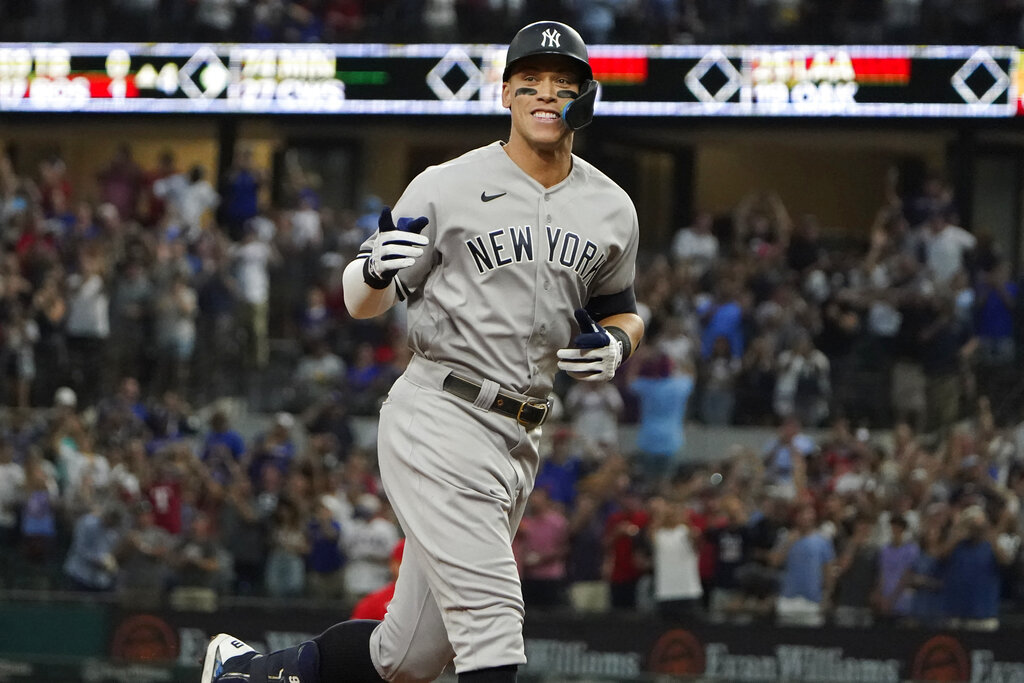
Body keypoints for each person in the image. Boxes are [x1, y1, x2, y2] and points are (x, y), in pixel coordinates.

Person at [202, 19, 643, 683]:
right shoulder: (447, 184)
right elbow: (360, 297)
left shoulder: (612, 207)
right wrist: (376, 270)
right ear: (507, 95)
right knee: (493, 621)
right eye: (530, 83)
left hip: (520, 434)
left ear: (586, 95)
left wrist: (616, 343)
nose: (545, 94)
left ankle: (246, 672)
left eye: (562, 83)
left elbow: (622, 308)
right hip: (442, 411)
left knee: (408, 655)